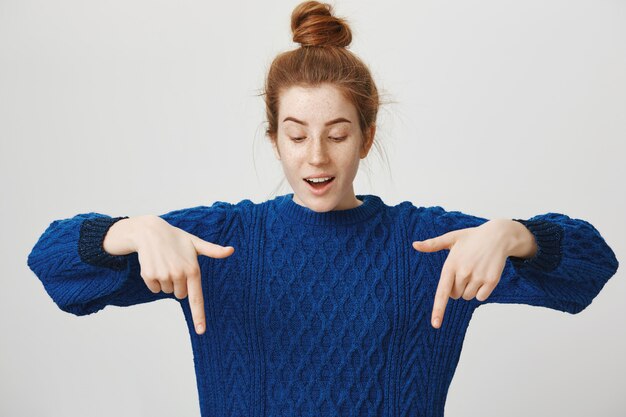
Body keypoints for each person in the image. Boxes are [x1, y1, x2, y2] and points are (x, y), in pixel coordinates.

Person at [26, 1, 619, 416]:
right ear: (273, 139)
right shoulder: (222, 241)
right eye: (296, 134)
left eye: (337, 133)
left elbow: (593, 267)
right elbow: (53, 266)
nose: (316, 156)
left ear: (365, 137)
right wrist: (128, 231)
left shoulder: (427, 245)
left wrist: (516, 235)